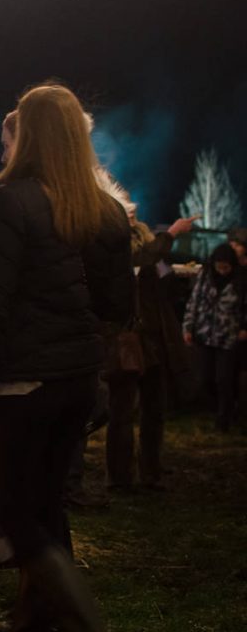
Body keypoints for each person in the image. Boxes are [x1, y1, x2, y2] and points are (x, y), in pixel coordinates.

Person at [0, 83, 132, 632]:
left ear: (31, 136)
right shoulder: (101, 211)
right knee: (46, 510)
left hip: (24, 385)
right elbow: (117, 305)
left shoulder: (13, 202)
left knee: (20, 518)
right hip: (77, 381)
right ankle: (29, 631)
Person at [105, 209, 197, 489]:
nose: (132, 211)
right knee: (122, 412)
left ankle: (151, 472)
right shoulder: (116, 246)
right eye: (126, 210)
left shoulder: (148, 250)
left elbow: (159, 275)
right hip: (127, 340)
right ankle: (120, 478)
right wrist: (171, 232)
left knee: (154, 410)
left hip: (154, 342)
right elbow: (142, 256)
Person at [183, 243, 247, 433]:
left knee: (224, 379)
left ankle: (224, 418)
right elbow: (194, 302)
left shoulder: (241, 280)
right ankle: (221, 410)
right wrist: (188, 327)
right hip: (205, 334)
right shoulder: (205, 277)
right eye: (219, 267)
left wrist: (244, 327)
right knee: (206, 378)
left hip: (228, 336)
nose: (222, 271)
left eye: (225, 267)